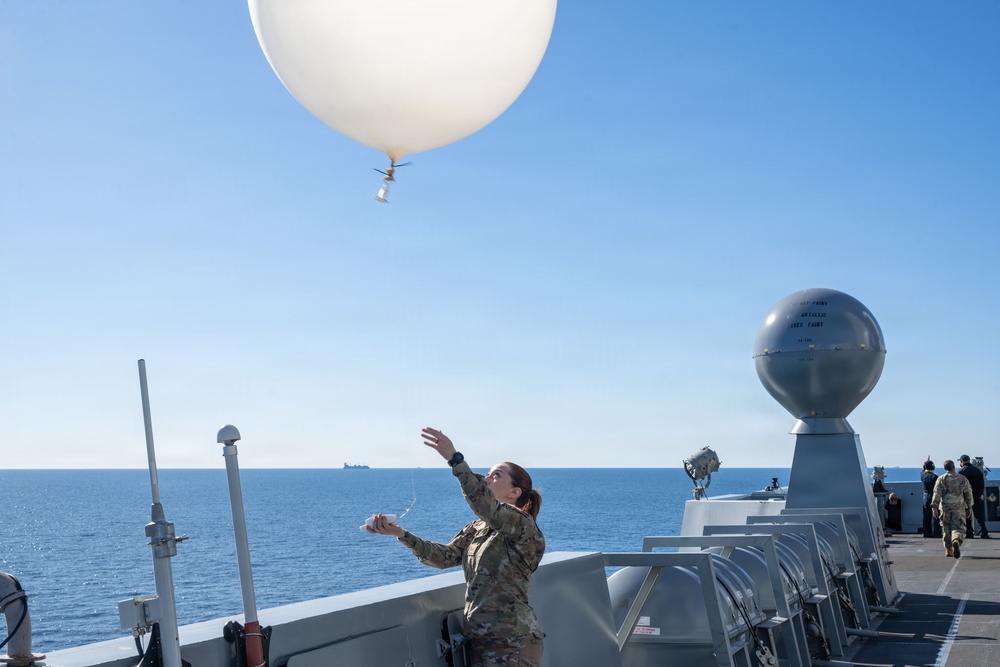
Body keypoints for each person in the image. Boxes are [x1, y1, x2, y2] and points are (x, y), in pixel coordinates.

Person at [367, 427, 545, 667]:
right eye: (488, 474)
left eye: (496, 475)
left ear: (514, 492)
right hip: (483, 639)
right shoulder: (478, 529)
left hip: (511, 639)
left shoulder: (523, 526)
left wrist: (455, 459)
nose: (487, 478)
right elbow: (443, 557)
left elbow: (484, 504)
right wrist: (401, 534)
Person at [931, 459, 974, 558]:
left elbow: (937, 494)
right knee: (958, 528)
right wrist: (969, 507)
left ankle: (949, 549)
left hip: (945, 508)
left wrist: (934, 507)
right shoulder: (962, 479)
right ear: (954, 467)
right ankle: (956, 540)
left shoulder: (941, 479)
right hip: (959, 508)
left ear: (944, 468)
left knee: (946, 529)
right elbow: (968, 493)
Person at [957, 454, 990, 539]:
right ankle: (983, 533)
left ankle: (969, 533)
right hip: (976, 496)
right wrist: (981, 494)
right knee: (979, 516)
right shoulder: (977, 471)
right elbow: (981, 484)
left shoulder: (960, 471)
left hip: (965, 497)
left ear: (962, 461)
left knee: (966, 516)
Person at [920, 459, 941, 538]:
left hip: (925, 496)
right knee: (936, 515)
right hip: (933, 496)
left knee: (926, 516)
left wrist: (925, 463)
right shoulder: (934, 476)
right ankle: (937, 533)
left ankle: (926, 533)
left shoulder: (922, 475)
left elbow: (923, 470)